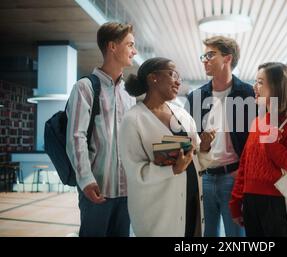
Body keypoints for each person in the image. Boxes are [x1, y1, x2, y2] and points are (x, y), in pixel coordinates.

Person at [119, 57, 213, 236]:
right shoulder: (133, 120)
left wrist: (205, 148)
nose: (178, 81)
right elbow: (135, 172)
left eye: (179, 76)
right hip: (159, 212)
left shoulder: (182, 115)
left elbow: (197, 161)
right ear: (153, 78)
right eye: (172, 74)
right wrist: (173, 170)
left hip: (191, 203)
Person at [66, 22, 137, 237]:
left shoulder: (129, 93)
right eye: (130, 44)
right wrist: (86, 180)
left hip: (126, 193)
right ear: (112, 46)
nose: (134, 51)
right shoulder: (85, 87)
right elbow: (75, 137)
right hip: (97, 190)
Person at [229, 62, 287, 236]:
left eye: (260, 82)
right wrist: (236, 202)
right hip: (251, 201)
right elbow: (245, 165)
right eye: (255, 81)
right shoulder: (258, 121)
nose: (255, 87)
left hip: (278, 203)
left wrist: (272, 143)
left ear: (277, 86)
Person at [186, 36, 254, 237]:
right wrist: (202, 145)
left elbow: (256, 141)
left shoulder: (248, 94)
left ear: (227, 58)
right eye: (203, 56)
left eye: (210, 55)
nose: (204, 60)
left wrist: (243, 172)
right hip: (204, 178)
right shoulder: (196, 97)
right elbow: (186, 140)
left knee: (236, 236)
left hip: (234, 178)